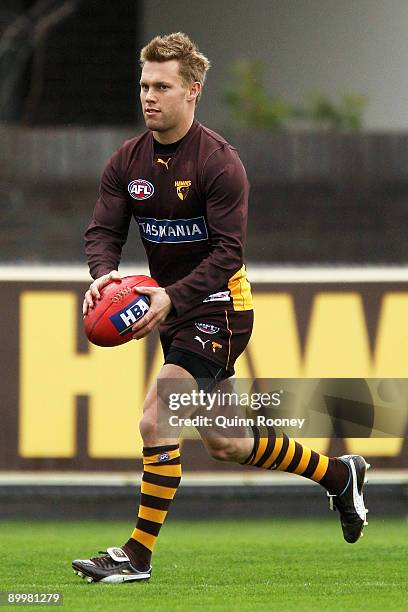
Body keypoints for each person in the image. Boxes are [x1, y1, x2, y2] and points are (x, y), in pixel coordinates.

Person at [72, 32, 370, 584]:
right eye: (144, 85)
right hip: (172, 307)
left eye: (163, 86)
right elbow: (103, 232)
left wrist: (170, 297)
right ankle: (337, 474)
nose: (149, 96)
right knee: (226, 441)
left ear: (194, 91)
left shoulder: (218, 162)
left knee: (154, 418)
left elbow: (229, 252)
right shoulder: (126, 162)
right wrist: (103, 276)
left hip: (219, 305)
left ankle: (136, 555)